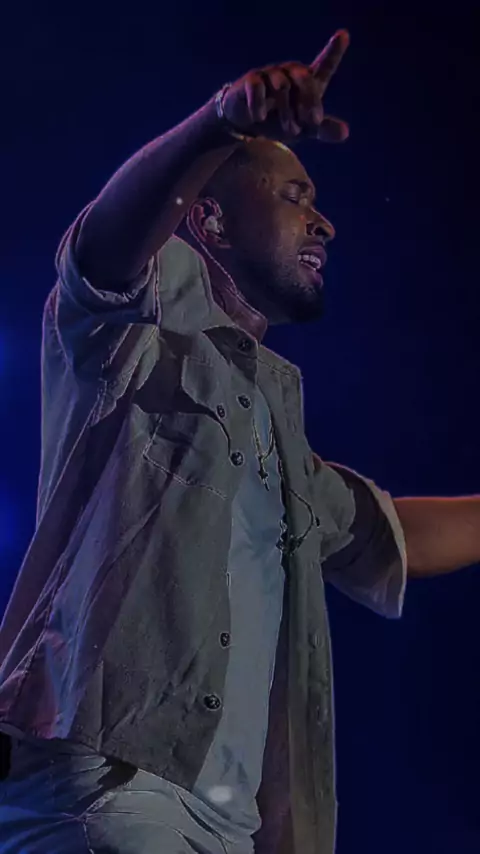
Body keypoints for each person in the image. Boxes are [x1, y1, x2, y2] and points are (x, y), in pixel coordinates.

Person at [0, 28, 479, 854]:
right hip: (116, 794)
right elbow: (101, 248)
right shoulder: (134, 333)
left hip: (234, 828)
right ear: (211, 219)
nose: (325, 223)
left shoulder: (274, 429)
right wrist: (221, 122)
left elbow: (384, 533)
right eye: (295, 196)